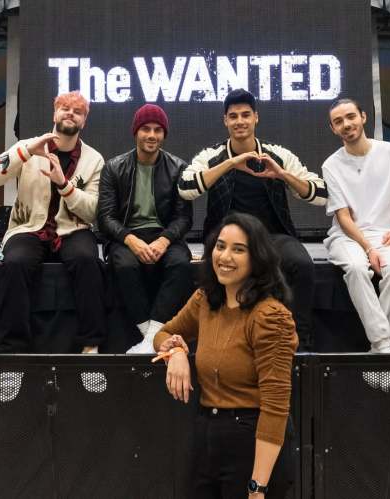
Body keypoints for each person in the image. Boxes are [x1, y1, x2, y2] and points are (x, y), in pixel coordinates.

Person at [153, 212, 298, 498]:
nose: (225, 256)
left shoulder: (271, 317)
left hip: (252, 442)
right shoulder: (206, 299)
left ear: (257, 258)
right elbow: (164, 333)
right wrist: (177, 351)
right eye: (220, 246)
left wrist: (257, 488)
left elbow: (275, 407)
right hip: (206, 438)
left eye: (238, 250)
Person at [178, 88, 326, 351]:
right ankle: (214, 346)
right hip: (226, 239)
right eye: (233, 116)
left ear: (256, 117)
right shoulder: (212, 155)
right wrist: (230, 163)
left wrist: (282, 175)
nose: (240, 121)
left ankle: (300, 344)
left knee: (302, 264)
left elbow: (321, 195)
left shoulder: (277, 154)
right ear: (225, 120)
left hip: (272, 237)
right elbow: (185, 188)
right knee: (211, 272)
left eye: (246, 115)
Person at [0, 90, 106, 354]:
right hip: (29, 227)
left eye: (78, 112)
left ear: (84, 121)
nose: (70, 114)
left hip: (73, 229)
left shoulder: (93, 159)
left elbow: (93, 211)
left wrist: (65, 186)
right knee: (15, 262)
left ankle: (90, 345)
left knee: (87, 260)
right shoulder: (29, 146)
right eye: (65, 108)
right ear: (54, 114)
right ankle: (14, 349)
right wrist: (25, 152)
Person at [322, 98, 390, 353]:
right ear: (333, 129)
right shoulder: (331, 165)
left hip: (387, 234)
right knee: (356, 268)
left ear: (363, 117)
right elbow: (343, 217)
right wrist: (368, 248)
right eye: (338, 121)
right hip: (347, 237)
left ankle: (378, 350)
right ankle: (383, 345)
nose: (346, 124)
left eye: (350, 117)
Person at [98, 104, 194, 354]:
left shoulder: (179, 168)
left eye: (157, 130)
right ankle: (151, 337)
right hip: (126, 235)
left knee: (181, 264)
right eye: (146, 129)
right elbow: (105, 218)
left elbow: (184, 218)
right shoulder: (113, 167)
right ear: (136, 132)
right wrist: (131, 240)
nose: (151, 135)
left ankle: (150, 340)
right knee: (125, 266)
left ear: (164, 134)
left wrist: (164, 240)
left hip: (165, 235)